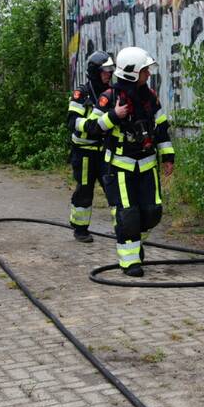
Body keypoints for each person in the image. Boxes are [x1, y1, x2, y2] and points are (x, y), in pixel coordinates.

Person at [84, 46, 174, 277]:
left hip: (147, 165)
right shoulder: (109, 98)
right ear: (133, 72)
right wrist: (114, 116)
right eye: (145, 70)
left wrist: (168, 157)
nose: (149, 74)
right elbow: (92, 128)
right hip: (120, 168)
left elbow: (162, 127)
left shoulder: (149, 97)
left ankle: (133, 240)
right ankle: (130, 261)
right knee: (128, 215)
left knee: (152, 212)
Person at [67, 51, 115, 242]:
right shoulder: (82, 93)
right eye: (105, 71)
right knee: (85, 191)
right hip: (84, 153)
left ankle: (123, 228)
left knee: (113, 190)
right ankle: (80, 229)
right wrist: (91, 127)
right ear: (95, 71)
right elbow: (72, 122)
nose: (108, 74)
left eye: (110, 70)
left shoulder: (111, 93)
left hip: (104, 152)